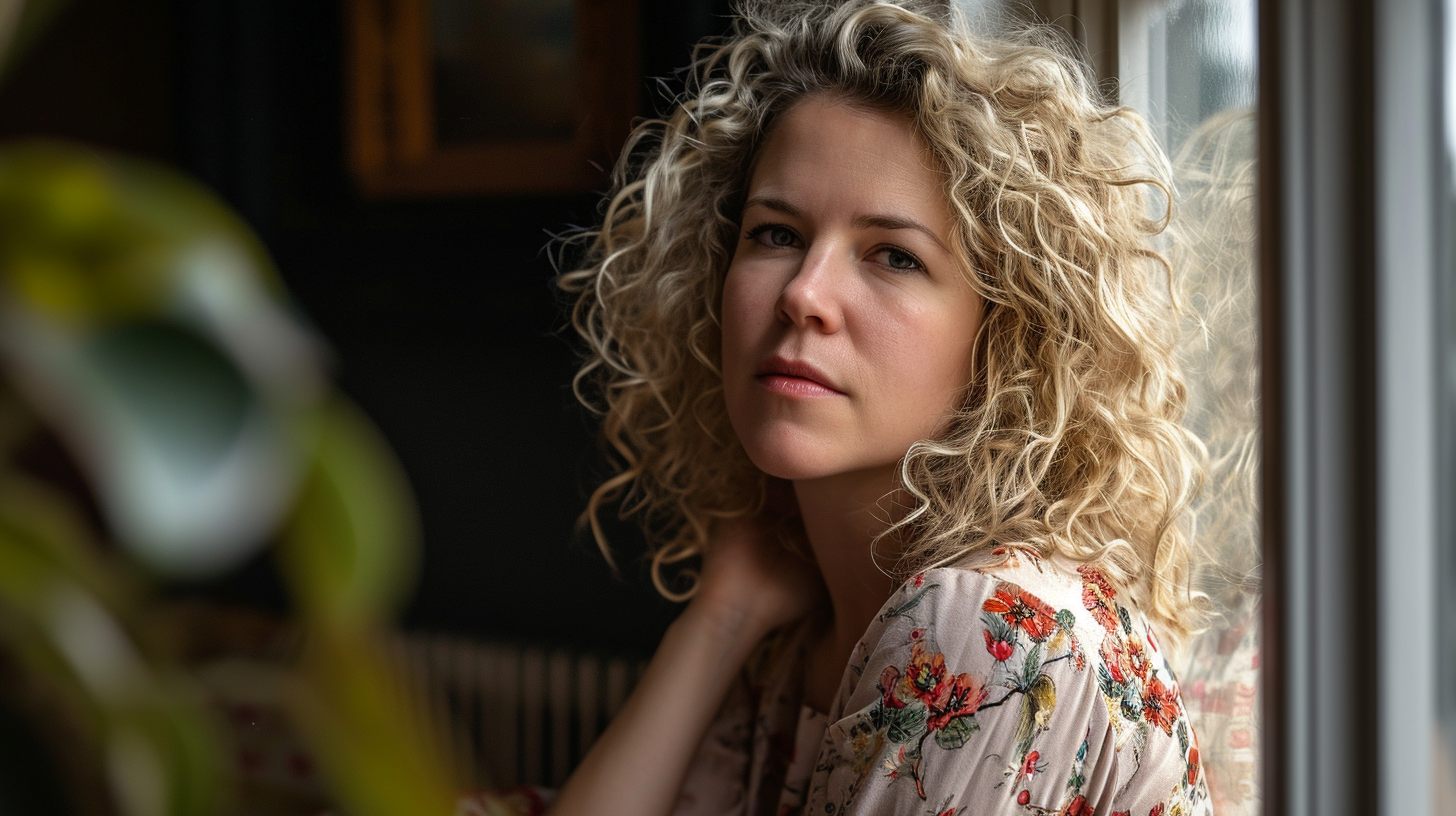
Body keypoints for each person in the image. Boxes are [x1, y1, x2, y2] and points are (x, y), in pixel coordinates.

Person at [551, 1, 1212, 814]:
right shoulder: (803, 631)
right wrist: (721, 618)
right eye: (776, 234)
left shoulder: (993, 625)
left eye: (893, 255)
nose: (803, 295)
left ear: (1009, 331)